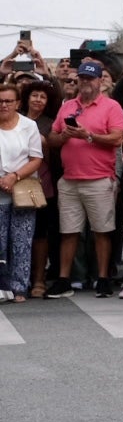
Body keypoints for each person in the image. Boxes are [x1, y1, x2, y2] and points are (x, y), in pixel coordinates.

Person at [45, 60, 123, 297]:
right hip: (70, 179)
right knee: (69, 231)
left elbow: (116, 138)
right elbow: (52, 137)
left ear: (100, 81)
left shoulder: (111, 107)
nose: (85, 82)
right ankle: (64, 279)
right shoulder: (68, 106)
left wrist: (88, 135)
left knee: (102, 231)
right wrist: (64, 136)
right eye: (82, 78)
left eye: (90, 78)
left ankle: (102, 278)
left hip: (99, 178)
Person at [0, 84, 45, 303]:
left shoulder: (29, 126)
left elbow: (36, 159)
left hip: (22, 188)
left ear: (18, 103)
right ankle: (1, 285)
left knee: (21, 241)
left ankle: (19, 287)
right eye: (0, 101)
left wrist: (14, 176)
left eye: (8, 101)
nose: (4, 105)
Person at [20, 80, 59, 298]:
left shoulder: (49, 123)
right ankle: (17, 279)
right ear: (26, 98)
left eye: (42, 97)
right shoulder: (12, 118)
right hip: (12, 182)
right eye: (34, 95)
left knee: (40, 234)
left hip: (41, 183)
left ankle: (38, 279)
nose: (38, 100)